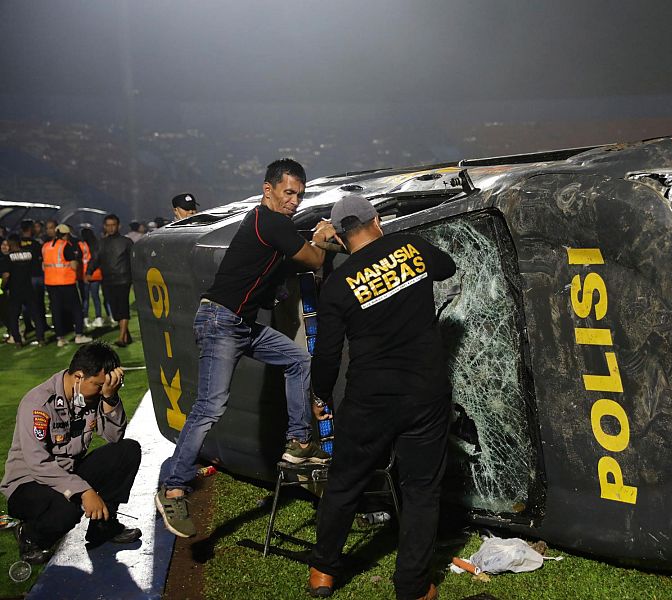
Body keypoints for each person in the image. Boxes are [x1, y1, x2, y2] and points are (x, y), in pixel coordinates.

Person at [155, 158, 335, 539]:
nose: (294, 201)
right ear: (267, 190)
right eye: (289, 193)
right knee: (210, 406)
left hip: (239, 324)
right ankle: (173, 487)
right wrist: (320, 239)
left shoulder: (271, 226)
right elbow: (315, 258)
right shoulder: (269, 222)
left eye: (300, 195)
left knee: (299, 361)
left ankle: (300, 442)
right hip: (221, 322)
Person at [307, 195, 456, 600]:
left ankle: (323, 571)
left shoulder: (338, 285)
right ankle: (412, 586)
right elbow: (448, 267)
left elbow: (327, 352)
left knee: (345, 482)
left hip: (370, 399)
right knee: (421, 491)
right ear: (378, 219)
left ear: (337, 234)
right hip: (425, 394)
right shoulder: (410, 247)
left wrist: (321, 394)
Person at [0, 342, 141, 564]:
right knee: (69, 505)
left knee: (127, 451)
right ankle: (30, 536)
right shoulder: (37, 402)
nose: (101, 390)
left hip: (68, 473)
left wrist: (110, 398)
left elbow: (114, 438)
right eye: (98, 385)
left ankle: (103, 527)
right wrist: (83, 491)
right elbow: (38, 464)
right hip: (28, 484)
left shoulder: (91, 395)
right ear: (78, 377)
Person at [88, 214, 133, 347]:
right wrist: (89, 272)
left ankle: (121, 338)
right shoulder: (101, 243)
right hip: (108, 280)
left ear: (118, 226)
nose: (111, 228)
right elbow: (95, 259)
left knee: (123, 308)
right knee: (115, 311)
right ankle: (126, 334)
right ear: (104, 226)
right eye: (108, 225)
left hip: (123, 279)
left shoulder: (126, 242)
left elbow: (134, 259)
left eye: (113, 225)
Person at [43, 224, 91, 347]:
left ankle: (60, 337)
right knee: (76, 308)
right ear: (66, 234)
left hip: (51, 283)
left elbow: (44, 266)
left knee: (56, 310)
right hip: (66, 282)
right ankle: (79, 335)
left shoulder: (46, 246)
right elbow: (74, 265)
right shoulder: (65, 246)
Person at [2, 234, 48, 346]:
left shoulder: (8, 258)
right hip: (28, 288)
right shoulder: (29, 254)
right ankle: (40, 338)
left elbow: (6, 275)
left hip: (15, 290)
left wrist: (3, 286)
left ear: (10, 244)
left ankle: (17, 340)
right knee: (35, 314)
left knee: (14, 316)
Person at [19, 219, 49, 336]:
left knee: (26, 304)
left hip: (23, 278)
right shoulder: (36, 244)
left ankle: (28, 326)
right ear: (30, 229)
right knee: (39, 302)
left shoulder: (18, 244)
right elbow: (42, 258)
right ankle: (42, 325)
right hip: (36, 276)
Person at [79, 227, 105, 329]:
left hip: (84, 274)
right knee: (96, 297)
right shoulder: (96, 244)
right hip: (96, 274)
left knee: (85, 298)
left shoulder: (81, 245)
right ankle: (98, 317)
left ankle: (85, 319)